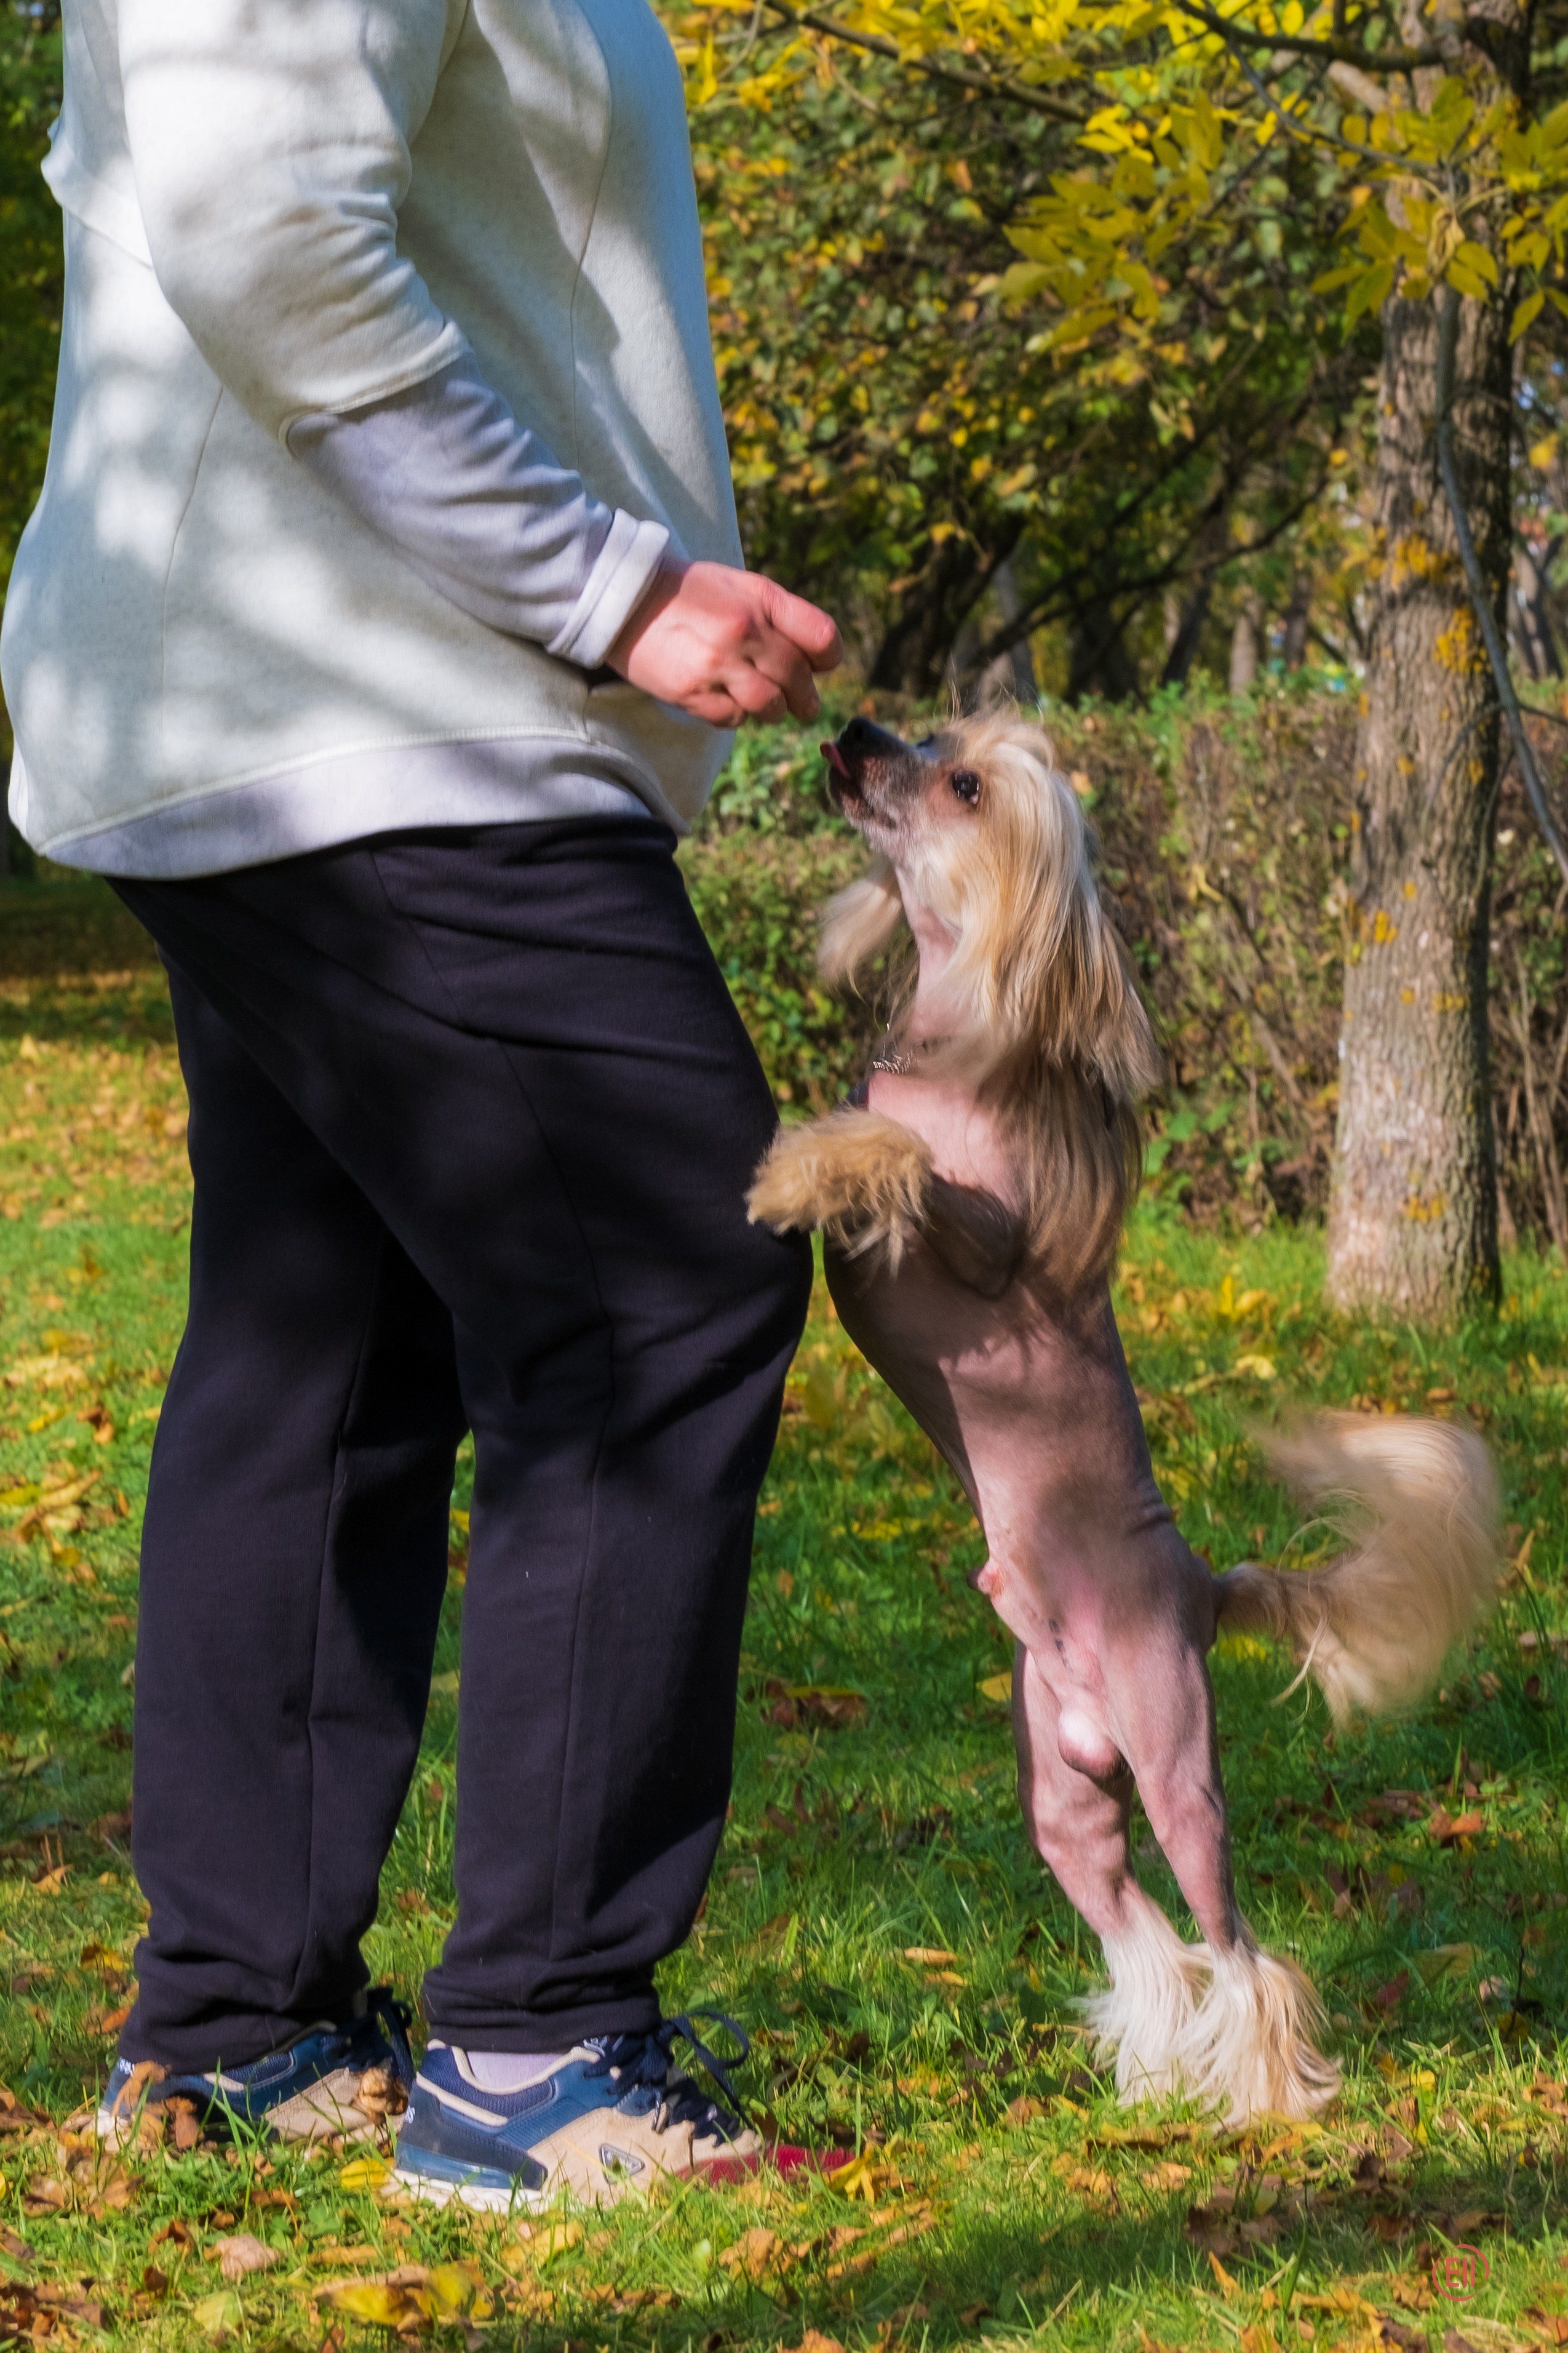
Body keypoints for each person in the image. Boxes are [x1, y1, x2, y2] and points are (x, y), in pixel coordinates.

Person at [0, 0, 840, 2209]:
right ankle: (541, 2051)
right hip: (384, 702)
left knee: (336, 1339)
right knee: (665, 1282)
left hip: (299, 700)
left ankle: (245, 2022)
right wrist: (612, 587)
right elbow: (258, 215)